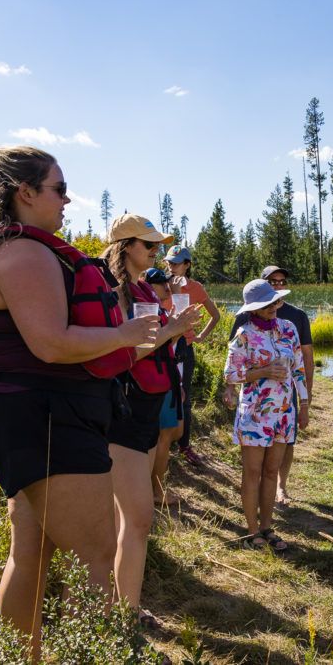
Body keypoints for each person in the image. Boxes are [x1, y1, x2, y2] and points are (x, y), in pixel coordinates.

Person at [0, 146, 160, 661]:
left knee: (31, 553)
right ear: (26, 192)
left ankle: (25, 658)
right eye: (58, 188)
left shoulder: (2, 248)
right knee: (96, 560)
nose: (66, 199)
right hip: (49, 415)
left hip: (26, 414)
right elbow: (51, 344)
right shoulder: (25, 254)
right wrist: (123, 334)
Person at [101, 214, 199, 626]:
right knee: (138, 517)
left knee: (129, 518)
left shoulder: (142, 288)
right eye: (149, 245)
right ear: (125, 247)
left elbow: (149, 345)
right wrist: (172, 329)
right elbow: (122, 353)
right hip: (122, 411)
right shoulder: (111, 292)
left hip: (144, 410)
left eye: (158, 245)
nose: (157, 251)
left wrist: (174, 330)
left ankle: (122, 607)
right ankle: (124, 614)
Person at [224, 279, 309, 551]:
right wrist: (262, 372)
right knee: (252, 472)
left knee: (272, 471)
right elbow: (230, 374)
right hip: (254, 414)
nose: (273, 307)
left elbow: (298, 369)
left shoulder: (289, 328)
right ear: (253, 309)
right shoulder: (244, 334)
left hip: (284, 412)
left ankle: (267, 527)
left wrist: (304, 404)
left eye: (275, 301)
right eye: (266, 304)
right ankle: (252, 532)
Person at [163, 244, 220, 466]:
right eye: (169, 262)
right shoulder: (159, 283)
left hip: (184, 347)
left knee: (184, 397)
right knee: (160, 393)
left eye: (176, 263)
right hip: (162, 344)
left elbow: (215, 315)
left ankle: (184, 445)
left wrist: (200, 336)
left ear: (187, 265)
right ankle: (162, 443)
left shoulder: (195, 288)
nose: (171, 266)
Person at [143, 266, 186, 505]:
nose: (166, 286)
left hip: (166, 376)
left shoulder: (157, 309)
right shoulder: (147, 309)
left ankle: (153, 488)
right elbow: (166, 338)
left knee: (173, 432)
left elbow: (172, 337)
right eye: (161, 282)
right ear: (148, 285)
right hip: (157, 378)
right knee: (165, 434)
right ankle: (156, 491)